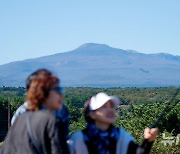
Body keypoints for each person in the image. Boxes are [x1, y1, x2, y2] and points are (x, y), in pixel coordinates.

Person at [0, 69, 69, 154]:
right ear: (43, 92)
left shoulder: (20, 118)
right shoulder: (51, 120)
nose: (62, 94)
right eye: (58, 89)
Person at [68, 92, 158, 154]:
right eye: (104, 107)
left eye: (111, 106)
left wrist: (148, 141)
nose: (110, 110)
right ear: (92, 114)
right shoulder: (78, 139)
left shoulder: (122, 136)